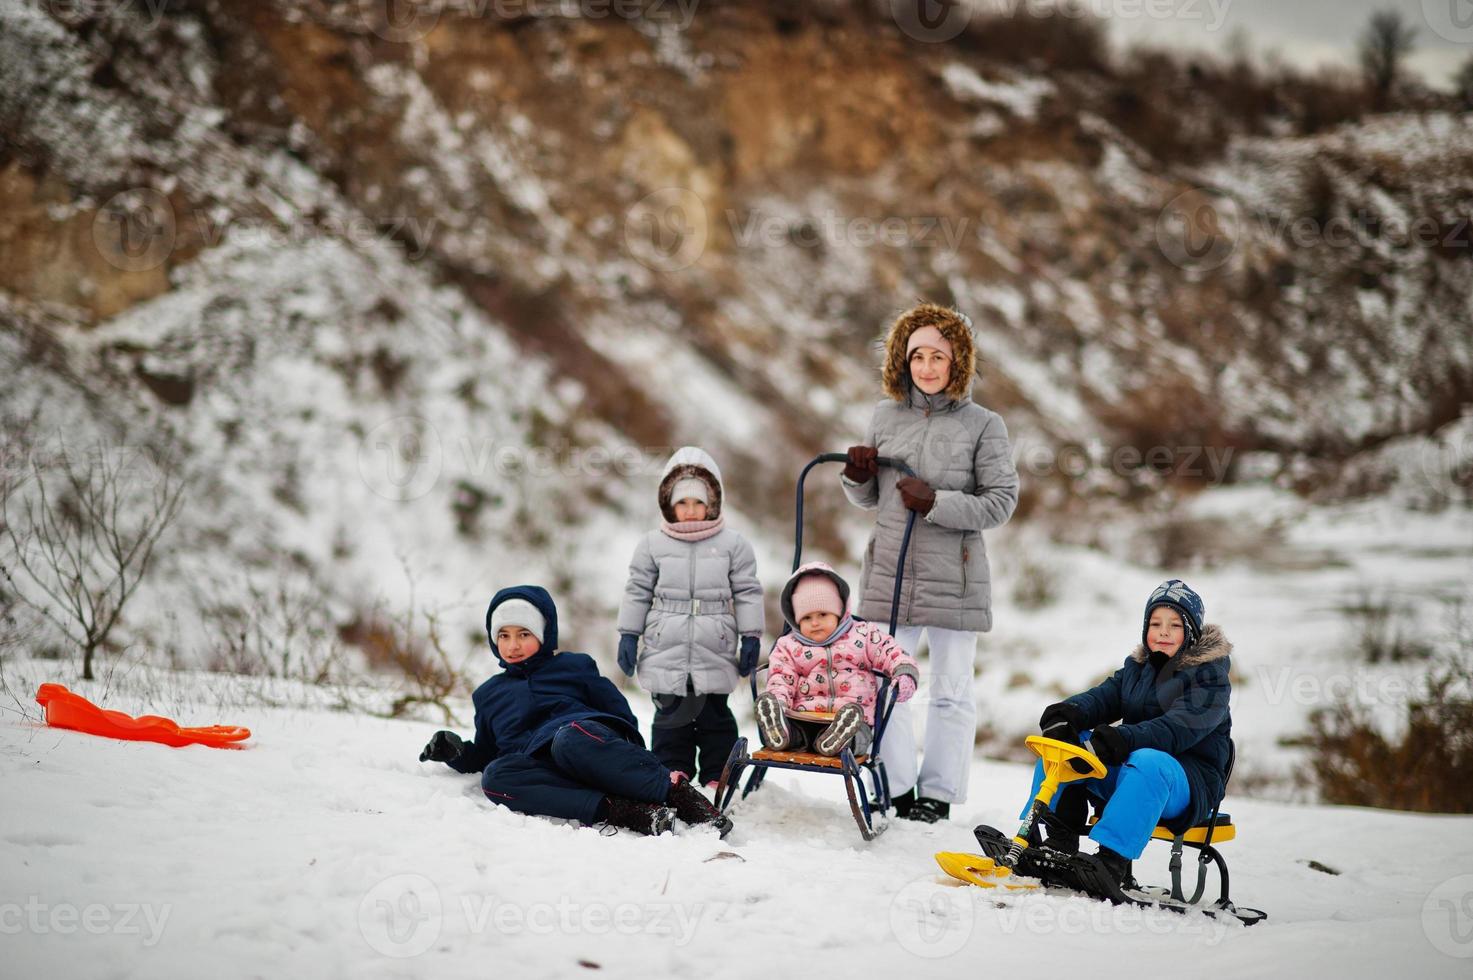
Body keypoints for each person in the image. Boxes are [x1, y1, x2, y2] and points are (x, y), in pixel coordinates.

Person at [841, 303, 1020, 822]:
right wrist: (856, 476)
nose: (926, 366)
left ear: (957, 361)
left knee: (951, 691)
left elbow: (1000, 501)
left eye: (937, 356)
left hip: (954, 579)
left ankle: (937, 795)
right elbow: (872, 498)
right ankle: (894, 787)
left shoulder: (984, 424)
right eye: (916, 355)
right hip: (889, 575)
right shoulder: (884, 415)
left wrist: (937, 501)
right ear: (902, 359)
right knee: (883, 683)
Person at [419, 585, 728, 837]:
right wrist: (456, 752)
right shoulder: (488, 695)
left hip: (587, 742)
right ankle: (621, 810)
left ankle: (680, 797)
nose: (513, 645)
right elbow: (489, 752)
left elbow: (620, 715)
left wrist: (625, 755)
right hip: (545, 766)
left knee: (568, 739)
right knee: (497, 776)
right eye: (504, 635)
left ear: (543, 634)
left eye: (523, 634)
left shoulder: (574, 667)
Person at [1031, 579, 1234, 888]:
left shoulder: (1210, 680)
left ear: (1191, 632)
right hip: (1134, 773)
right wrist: (1066, 714)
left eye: (1175, 625)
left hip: (1187, 785)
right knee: (1061, 749)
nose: (1163, 632)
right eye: (1156, 623)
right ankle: (1056, 840)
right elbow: (1101, 698)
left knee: (1149, 760)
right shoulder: (1138, 669)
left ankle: (1111, 862)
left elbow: (1174, 731)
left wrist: (1122, 739)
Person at [616, 447, 765, 789]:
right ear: (669, 504)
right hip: (665, 638)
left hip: (716, 639)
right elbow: (637, 590)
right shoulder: (652, 544)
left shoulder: (733, 544)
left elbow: (747, 591)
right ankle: (673, 769)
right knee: (671, 713)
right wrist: (629, 634)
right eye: (683, 503)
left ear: (713, 503)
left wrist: (751, 636)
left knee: (714, 713)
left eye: (699, 503)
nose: (691, 511)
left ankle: (718, 773)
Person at [755, 562, 919, 757]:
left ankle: (841, 739)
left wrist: (904, 671)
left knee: (857, 736)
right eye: (806, 618)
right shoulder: (789, 645)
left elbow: (890, 651)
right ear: (796, 620)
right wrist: (779, 703)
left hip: (854, 720)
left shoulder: (863, 635)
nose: (815, 623)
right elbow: (780, 679)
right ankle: (780, 731)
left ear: (839, 612)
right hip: (803, 717)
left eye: (822, 614)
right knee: (794, 732)